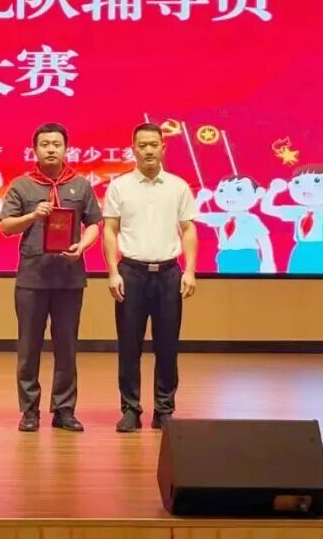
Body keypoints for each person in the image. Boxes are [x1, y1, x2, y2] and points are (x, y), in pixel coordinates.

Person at [0, 122, 101, 432]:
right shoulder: (22, 185)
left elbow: (94, 224)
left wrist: (83, 246)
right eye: (45, 144)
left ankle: (64, 410)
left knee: (66, 347)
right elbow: (6, 227)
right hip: (32, 278)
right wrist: (33, 215)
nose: (51, 149)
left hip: (69, 278)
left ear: (66, 148)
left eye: (57, 144)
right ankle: (29, 411)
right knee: (28, 347)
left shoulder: (80, 185)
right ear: (35, 150)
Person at [102, 122, 197, 433]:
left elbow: (188, 229)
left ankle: (164, 410)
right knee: (129, 345)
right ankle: (130, 409)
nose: (148, 150)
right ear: (133, 149)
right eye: (142, 145)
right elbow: (110, 230)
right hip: (131, 273)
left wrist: (190, 270)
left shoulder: (178, 186)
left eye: (153, 144)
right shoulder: (120, 186)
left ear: (163, 148)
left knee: (167, 345)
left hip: (169, 273)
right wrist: (113, 271)